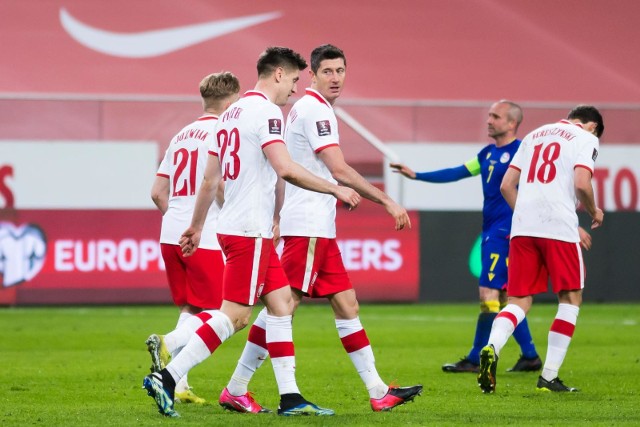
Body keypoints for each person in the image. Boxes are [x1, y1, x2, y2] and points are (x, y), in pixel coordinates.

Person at [142, 46, 361, 418]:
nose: (295, 88)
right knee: (235, 316)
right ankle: (168, 376)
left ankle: (290, 397)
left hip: (233, 228)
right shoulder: (266, 112)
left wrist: (195, 226)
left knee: (279, 306)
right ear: (278, 74)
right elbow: (286, 168)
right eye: (294, 79)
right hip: (250, 231)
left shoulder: (229, 114)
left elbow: (210, 180)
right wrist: (334, 187)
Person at [217, 44, 423, 414]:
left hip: (318, 226)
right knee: (282, 307)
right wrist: (388, 201)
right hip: (308, 226)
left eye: (341, 71)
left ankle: (377, 390)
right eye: (327, 71)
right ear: (311, 74)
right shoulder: (314, 110)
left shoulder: (310, 108)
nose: (335, 78)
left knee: (347, 305)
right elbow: (339, 169)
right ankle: (235, 386)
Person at [390, 101, 543, 373]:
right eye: (489, 115)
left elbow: (542, 187)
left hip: (506, 232)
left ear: (511, 124)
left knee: (488, 294)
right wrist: (416, 175)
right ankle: (530, 356)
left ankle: (475, 358)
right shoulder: (486, 154)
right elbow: (457, 172)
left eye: (495, 116)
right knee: (505, 296)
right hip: (492, 230)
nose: (489, 120)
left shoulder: (523, 152)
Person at [477, 105, 604, 394]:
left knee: (518, 301)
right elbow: (582, 182)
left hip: (522, 229)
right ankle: (548, 376)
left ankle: (492, 348)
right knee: (570, 298)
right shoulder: (586, 139)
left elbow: (507, 185)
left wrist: (523, 213)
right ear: (592, 126)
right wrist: (594, 211)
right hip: (558, 228)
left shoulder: (534, 135)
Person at [147, 71, 240, 405]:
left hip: (171, 234)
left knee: (192, 305)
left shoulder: (180, 135)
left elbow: (158, 193)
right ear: (231, 101)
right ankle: (168, 341)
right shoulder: (223, 132)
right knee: (222, 311)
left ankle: (180, 383)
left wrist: (178, 220)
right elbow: (215, 184)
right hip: (205, 235)